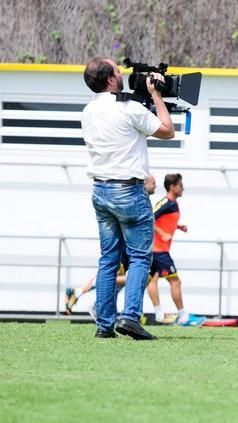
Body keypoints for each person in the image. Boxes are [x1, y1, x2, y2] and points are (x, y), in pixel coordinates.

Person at [81, 57, 174, 339]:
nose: (122, 75)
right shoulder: (129, 108)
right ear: (110, 79)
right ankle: (130, 317)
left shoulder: (89, 110)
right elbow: (167, 131)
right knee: (139, 258)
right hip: (128, 191)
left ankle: (104, 325)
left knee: (108, 259)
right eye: (119, 72)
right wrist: (157, 95)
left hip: (100, 190)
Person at [64, 176, 158, 320]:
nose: (155, 186)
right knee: (120, 276)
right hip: (126, 250)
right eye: (153, 183)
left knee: (124, 278)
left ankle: (103, 311)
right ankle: (83, 296)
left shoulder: (141, 201)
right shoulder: (132, 199)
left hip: (129, 250)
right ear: (143, 183)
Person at [147, 173, 206, 326]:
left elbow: (164, 220)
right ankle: (183, 316)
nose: (183, 188)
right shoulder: (166, 202)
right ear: (172, 187)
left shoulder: (172, 204)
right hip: (159, 251)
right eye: (180, 185)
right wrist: (162, 233)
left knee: (151, 280)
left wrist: (178, 227)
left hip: (157, 249)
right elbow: (149, 218)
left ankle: (159, 313)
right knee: (175, 281)